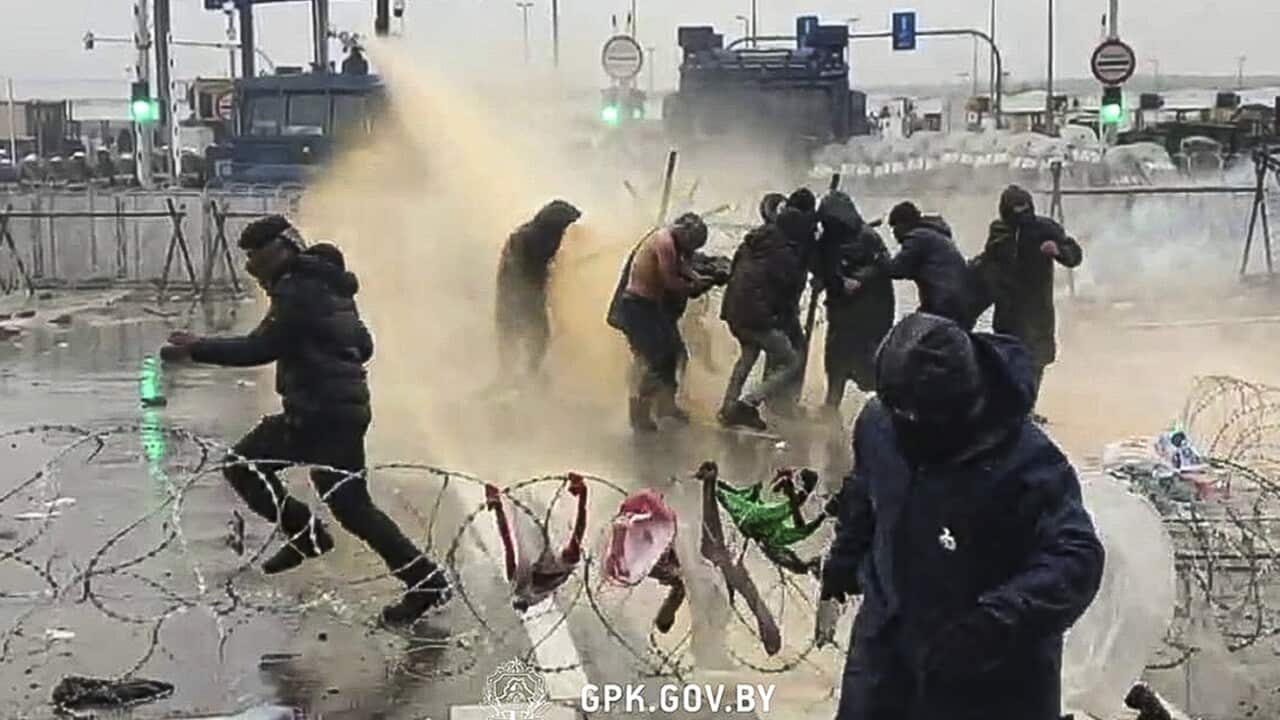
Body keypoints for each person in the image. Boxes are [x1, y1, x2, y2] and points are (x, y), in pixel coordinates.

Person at [160, 215, 451, 626]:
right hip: (341, 408)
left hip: (318, 412)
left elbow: (260, 347)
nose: (250, 269)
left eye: (254, 257)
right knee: (351, 506)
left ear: (278, 250)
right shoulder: (331, 289)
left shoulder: (297, 290)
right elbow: (363, 345)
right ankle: (423, 580)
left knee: (243, 466)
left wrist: (197, 348)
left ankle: (308, 535)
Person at [820, 312, 1105, 720]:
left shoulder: (1026, 463)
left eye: (916, 421)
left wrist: (995, 621)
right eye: (896, 414)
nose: (902, 430)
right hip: (886, 654)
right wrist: (842, 567)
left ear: (964, 409)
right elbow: (865, 493)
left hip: (992, 676)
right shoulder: (879, 423)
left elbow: (1076, 558)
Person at [971, 185, 1083, 421]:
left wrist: (1059, 251)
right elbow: (990, 259)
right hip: (1008, 308)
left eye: (1025, 208)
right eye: (1015, 210)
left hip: (1037, 306)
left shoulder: (1044, 228)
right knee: (1009, 358)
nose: (1021, 215)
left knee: (1037, 358)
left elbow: (1074, 254)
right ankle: (1012, 409)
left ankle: (1027, 409)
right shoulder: (999, 230)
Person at [607, 213, 714, 431]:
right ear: (684, 233)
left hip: (650, 306)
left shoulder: (671, 241)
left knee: (674, 353)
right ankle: (639, 411)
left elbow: (680, 267)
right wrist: (695, 287)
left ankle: (666, 404)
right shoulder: (664, 242)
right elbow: (670, 280)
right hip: (638, 306)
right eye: (691, 244)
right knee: (656, 358)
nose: (691, 250)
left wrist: (696, 276)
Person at [717, 193, 807, 430]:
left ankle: (727, 408)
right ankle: (747, 405)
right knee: (791, 361)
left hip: (734, 310)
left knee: (747, 356)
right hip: (757, 316)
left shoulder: (753, 240)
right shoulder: (785, 253)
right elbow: (787, 292)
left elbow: (736, 269)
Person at [814, 190, 894, 411]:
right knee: (835, 362)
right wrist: (824, 278)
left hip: (868, 312)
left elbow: (885, 266)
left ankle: (885, 407)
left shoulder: (867, 237)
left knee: (868, 365)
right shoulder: (827, 241)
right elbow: (824, 267)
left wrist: (859, 279)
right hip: (840, 312)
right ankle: (831, 407)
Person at [494, 200, 582, 379]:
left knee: (538, 337)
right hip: (515, 293)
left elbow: (548, 266)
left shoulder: (545, 237)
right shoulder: (526, 238)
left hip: (530, 294)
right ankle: (510, 376)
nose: (566, 230)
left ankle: (527, 373)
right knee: (517, 335)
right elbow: (519, 271)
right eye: (565, 225)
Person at [884, 201, 978, 328]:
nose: (894, 233)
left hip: (945, 304)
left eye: (895, 226)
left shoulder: (918, 238)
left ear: (904, 223)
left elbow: (896, 270)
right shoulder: (934, 235)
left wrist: (878, 256)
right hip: (961, 302)